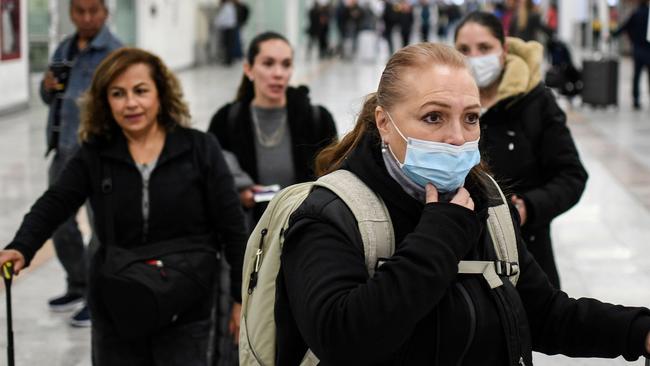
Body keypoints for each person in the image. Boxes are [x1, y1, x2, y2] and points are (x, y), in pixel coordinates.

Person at [274, 41, 650, 365]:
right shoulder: (332, 214)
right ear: (384, 123)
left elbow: (544, 314)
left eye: (471, 118)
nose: (457, 137)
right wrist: (440, 232)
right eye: (433, 117)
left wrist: (639, 332)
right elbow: (343, 339)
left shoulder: (485, 202)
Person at [0, 48, 247, 365]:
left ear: (161, 92)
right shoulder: (96, 154)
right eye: (118, 94)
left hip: (187, 305)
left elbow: (232, 228)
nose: (131, 103)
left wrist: (242, 298)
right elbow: (56, 202)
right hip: (118, 305)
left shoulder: (200, 149)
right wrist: (22, 246)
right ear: (105, 101)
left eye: (141, 91)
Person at [454, 11, 588, 289]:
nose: (475, 58)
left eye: (484, 48)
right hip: (459, 255)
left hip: (526, 255)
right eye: (464, 50)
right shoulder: (446, 105)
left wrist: (528, 207)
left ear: (503, 51)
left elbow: (571, 175)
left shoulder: (536, 102)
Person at [39, 0, 122, 327]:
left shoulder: (115, 53)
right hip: (62, 151)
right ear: (71, 14)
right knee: (58, 223)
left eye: (93, 11)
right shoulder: (64, 48)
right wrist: (45, 88)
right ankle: (77, 283)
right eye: (79, 11)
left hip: (99, 153)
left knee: (101, 228)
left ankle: (95, 295)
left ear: (105, 13)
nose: (86, 18)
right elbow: (51, 98)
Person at [208, 31, 338, 228]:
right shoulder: (225, 120)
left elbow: (334, 179)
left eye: (285, 64)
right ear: (249, 69)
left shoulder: (317, 119)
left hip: (304, 231)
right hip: (248, 234)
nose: (278, 73)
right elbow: (211, 180)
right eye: (268, 64)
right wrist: (237, 194)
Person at [611, 0, 650, 110]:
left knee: (636, 76)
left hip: (638, 50)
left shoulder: (636, 14)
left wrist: (612, 35)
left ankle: (636, 100)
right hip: (649, 49)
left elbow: (624, 27)